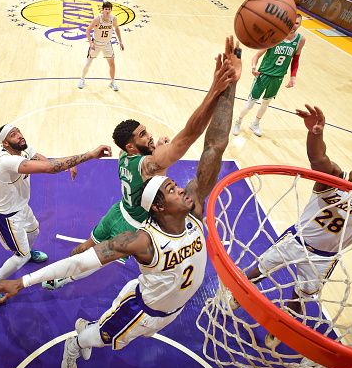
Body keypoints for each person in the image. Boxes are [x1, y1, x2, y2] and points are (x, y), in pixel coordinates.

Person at [0, 36, 242, 368]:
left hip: (119, 212)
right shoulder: (143, 235)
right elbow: (186, 141)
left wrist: (229, 85)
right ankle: (76, 344)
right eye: (171, 187)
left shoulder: (145, 172)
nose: (181, 187)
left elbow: (215, 146)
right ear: (159, 208)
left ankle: (67, 300)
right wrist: (22, 283)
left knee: (85, 250)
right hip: (142, 295)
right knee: (95, 305)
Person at [42, 45, 239, 291]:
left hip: (118, 210)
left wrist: (155, 147)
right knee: (97, 260)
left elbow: (150, 159)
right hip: (133, 224)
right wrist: (215, 91)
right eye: (143, 135)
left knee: (85, 248)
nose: (150, 137)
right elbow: (189, 135)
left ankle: (58, 276)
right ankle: (68, 278)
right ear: (131, 146)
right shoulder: (149, 163)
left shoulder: (126, 155)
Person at [230, 105, 352, 349]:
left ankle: (280, 329)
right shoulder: (335, 176)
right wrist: (315, 134)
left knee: (301, 296)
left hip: (325, 258)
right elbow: (319, 158)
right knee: (259, 269)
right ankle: (238, 296)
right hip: (296, 240)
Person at [0, 124, 112, 302]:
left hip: (21, 207)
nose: (19, 136)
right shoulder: (6, 161)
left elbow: (42, 160)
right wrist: (89, 156)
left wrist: (63, 166)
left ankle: (27, 254)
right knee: (20, 256)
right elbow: (48, 169)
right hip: (6, 216)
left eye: (18, 131)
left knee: (34, 231)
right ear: (5, 144)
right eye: (13, 135)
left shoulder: (21, 148)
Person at [232, 14, 306, 137]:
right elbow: (256, 56)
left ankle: (255, 124)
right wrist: (254, 68)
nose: (294, 25)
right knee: (251, 103)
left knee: (266, 103)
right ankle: (238, 121)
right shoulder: (275, 37)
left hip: (278, 77)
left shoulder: (300, 40)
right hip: (264, 75)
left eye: (297, 23)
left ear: (300, 24)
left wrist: (293, 76)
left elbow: (296, 60)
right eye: (292, 22)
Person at [77, 1, 124, 91]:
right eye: (106, 9)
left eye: (109, 9)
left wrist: (120, 41)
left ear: (111, 10)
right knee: (88, 63)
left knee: (112, 64)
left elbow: (117, 29)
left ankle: (112, 82)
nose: (107, 11)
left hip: (107, 44)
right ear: (103, 10)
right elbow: (87, 30)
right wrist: (91, 43)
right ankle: (82, 79)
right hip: (96, 44)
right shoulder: (97, 19)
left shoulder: (113, 19)